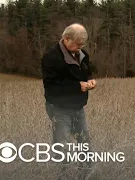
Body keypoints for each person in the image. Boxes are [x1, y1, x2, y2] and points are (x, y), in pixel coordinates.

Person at [41, 23, 96, 179]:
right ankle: (61, 175)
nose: (80, 47)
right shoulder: (51, 57)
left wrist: (91, 81)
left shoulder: (82, 54)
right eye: (77, 44)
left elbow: (88, 72)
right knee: (62, 146)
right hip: (58, 108)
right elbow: (51, 87)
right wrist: (77, 86)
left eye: (82, 44)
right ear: (66, 39)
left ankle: (85, 174)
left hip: (78, 106)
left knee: (84, 143)